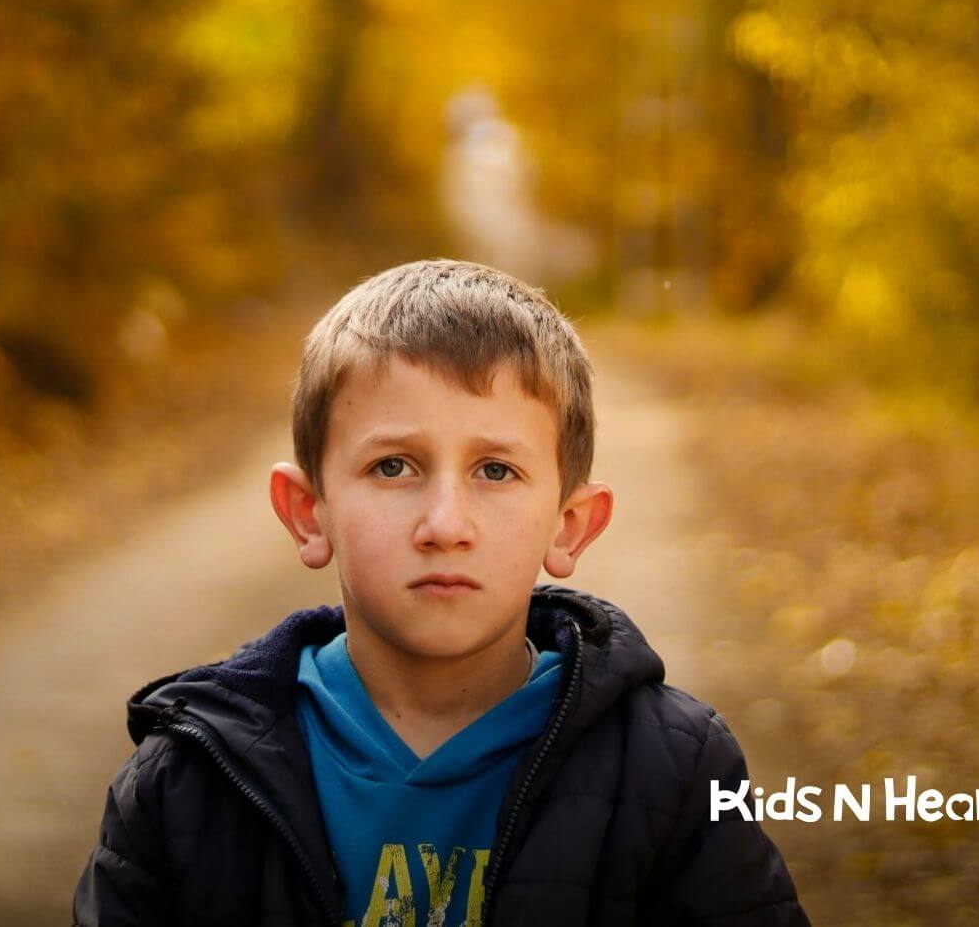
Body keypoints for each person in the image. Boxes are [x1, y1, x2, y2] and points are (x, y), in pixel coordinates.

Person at [72, 259, 809, 926]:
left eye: (496, 472)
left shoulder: (670, 772)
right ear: (308, 511)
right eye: (394, 467)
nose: (445, 525)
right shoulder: (188, 781)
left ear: (571, 525)